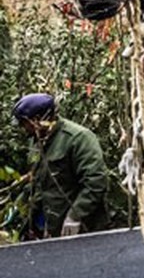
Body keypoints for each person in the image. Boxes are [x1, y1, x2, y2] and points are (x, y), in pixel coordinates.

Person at [12, 93, 109, 238]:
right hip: (48, 224)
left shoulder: (78, 138)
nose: (23, 128)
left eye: (24, 123)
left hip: (78, 227)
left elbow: (96, 181)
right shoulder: (36, 139)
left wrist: (76, 216)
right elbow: (38, 180)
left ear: (39, 119)